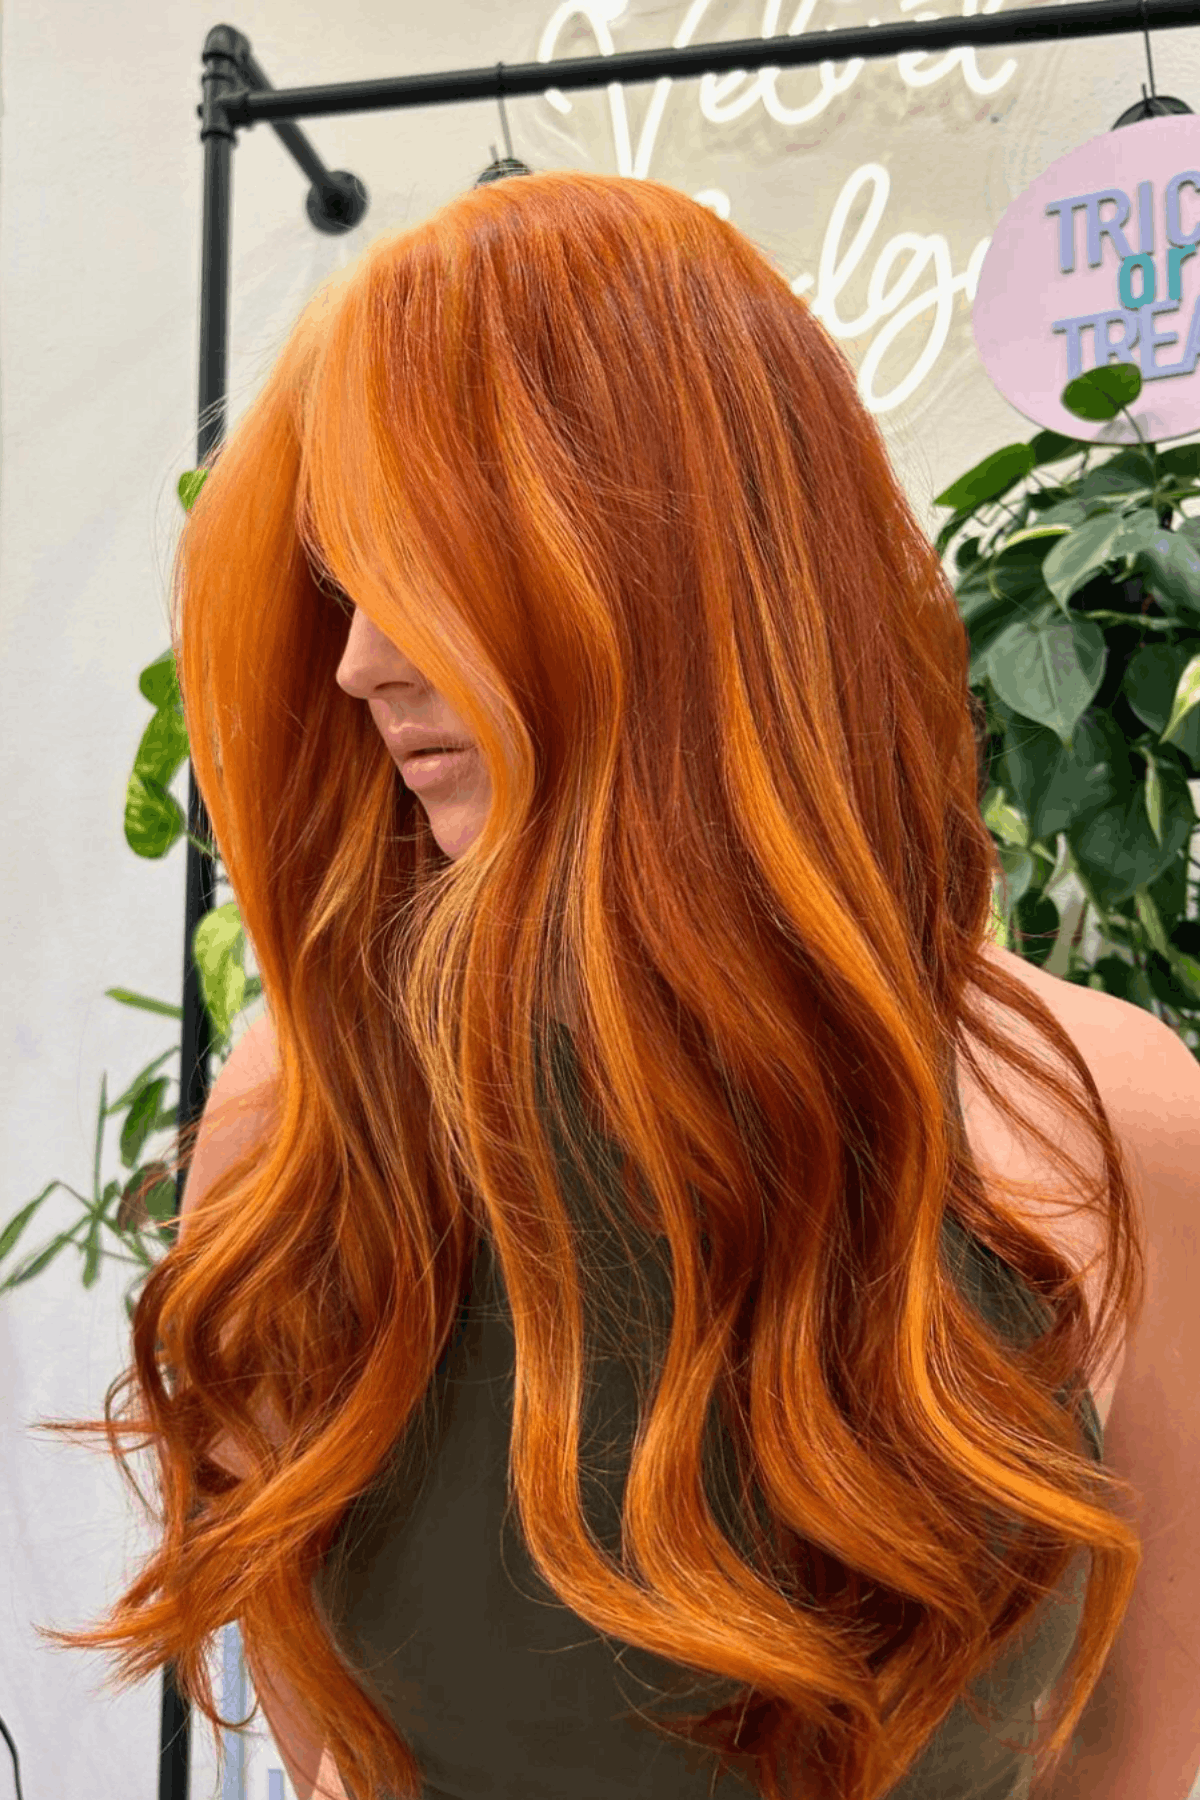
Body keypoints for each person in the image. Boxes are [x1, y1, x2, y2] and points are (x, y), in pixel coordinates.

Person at [39, 168, 1200, 1800]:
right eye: (338, 577)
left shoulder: (1105, 1115)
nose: (364, 658)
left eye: (429, 563)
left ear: (674, 565)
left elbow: (1142, 1764)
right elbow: (339, 1770)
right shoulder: (313, 1121)